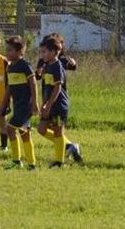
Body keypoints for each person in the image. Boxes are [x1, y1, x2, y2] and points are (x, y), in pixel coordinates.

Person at [37, 36, 82, 167]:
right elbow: (45, 85)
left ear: (53, 52)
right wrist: (44, 103)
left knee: (58, 132)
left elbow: (57, 87)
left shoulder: (57, 66)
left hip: (59, 105)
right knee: (41, 129)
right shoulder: (47, 65)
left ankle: (59, 161)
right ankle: (70, 146)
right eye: (42, 51)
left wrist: (49, 105)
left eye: (44, 52)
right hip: (49, 104)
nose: (42, 54)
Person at [0, 36, 39, 169]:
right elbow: (10, 87)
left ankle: (17, 162)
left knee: (10, 129)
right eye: (7, 50)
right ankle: (31, 164)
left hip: (25, 106)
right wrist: (4, 104)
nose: (7, 53)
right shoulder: (10, 67)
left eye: (10, 50)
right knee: (24, 133)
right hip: (18, 106)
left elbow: (33, 82)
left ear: (20, 51)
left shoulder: (24, 65)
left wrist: (35, 102)